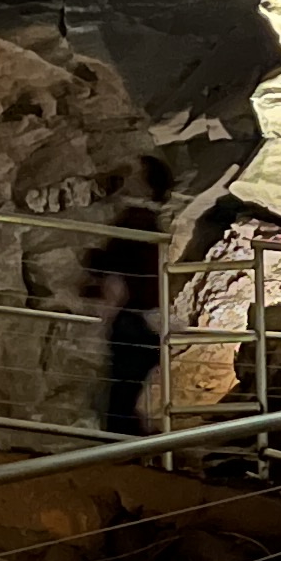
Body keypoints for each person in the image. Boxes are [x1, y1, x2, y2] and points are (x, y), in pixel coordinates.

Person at [90, 155, 174, 437]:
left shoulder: (136, 223)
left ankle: (122, 438)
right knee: (126, 386)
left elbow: (114, 261)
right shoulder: (146, 223)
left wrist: (96, 262)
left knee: (123, 386)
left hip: (135, 317)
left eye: (133, 176)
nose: (125, 180)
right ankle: (127, 437)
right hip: (144, 316)